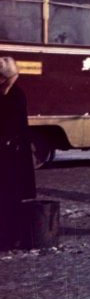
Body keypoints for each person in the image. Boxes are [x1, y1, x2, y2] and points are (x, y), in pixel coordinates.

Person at [0, 58, 35, 250]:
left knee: (10, 196)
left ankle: (11, 238)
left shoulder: (16, 94)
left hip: (12, 154)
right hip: (7, 153)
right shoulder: (10, 93)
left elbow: (14, 126)